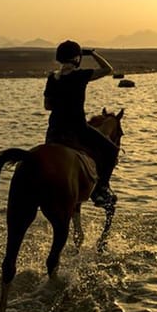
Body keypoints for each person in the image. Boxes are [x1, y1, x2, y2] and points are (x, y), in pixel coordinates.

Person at [44, 40, 119, 208]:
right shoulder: (80, 75)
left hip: (54, 131)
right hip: (77, 129)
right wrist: (92, 53)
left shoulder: (52, 78)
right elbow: (108, 69)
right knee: (112, 150)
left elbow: (47, 106)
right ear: (77, 58)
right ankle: (101, 189)